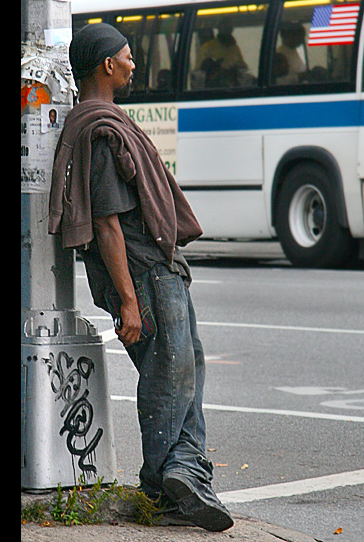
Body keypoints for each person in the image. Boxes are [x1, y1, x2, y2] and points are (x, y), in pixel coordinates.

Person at [48, 23, 234, 532]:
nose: (134, 63)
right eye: (128, 56)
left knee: (183, 366)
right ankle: (171, 478)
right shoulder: (102, 131)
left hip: (152, 270)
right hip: (145, 273)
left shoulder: (99, 122)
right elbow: (108, 224)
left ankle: (180, 480)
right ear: (107, 65)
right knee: (169, 373)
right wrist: (129, 302)